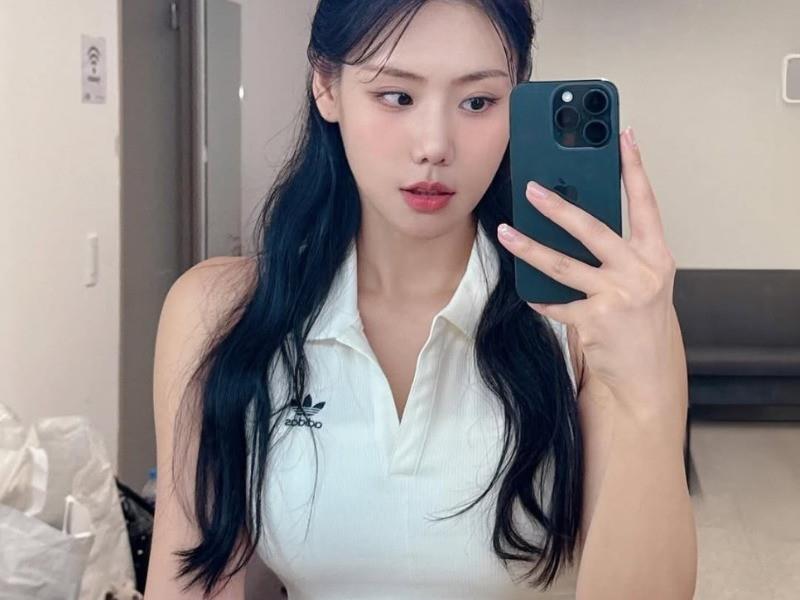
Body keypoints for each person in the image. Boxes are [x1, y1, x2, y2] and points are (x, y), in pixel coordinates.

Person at [144, 1, 697, 598]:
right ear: (326, 86)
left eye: (478, 102)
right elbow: (192, 580)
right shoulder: (219, 311)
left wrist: (647, 399)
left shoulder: (586, 323)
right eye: (397, 96)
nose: (435, 146)